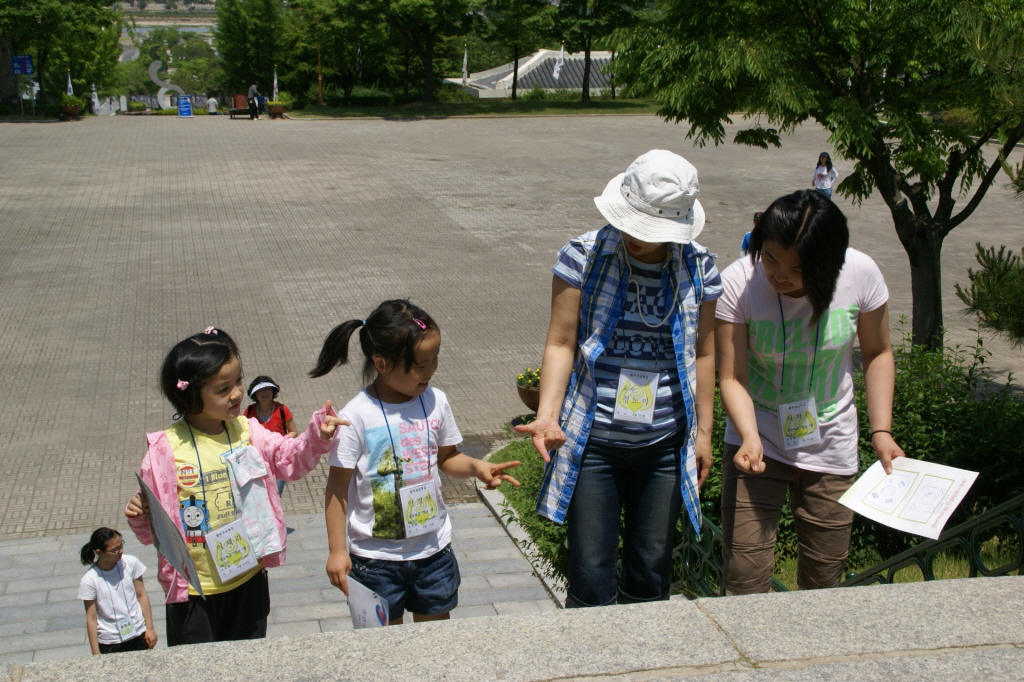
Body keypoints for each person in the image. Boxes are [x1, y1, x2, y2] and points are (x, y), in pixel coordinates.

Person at [515, 150, 722, 608]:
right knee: (589, 576)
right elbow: (561, 342)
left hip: (664, 445)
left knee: (651, 575)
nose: (634, 237)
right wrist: (548, 415)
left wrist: (703, 433)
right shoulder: (583, 256)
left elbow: (705, 354)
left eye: (647, 230)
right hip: (594, 442)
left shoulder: (700, 267)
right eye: (630, 223)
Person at [715, 189, 904, 594]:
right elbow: (732, 377)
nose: (778, 275)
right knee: (745, 575)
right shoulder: (738, 281)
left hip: (831, 438)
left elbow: (877, 353)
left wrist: (881, 432)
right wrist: (748, 435)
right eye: (769, 258)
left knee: (823, 579)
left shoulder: (860, 273)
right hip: (758, 436)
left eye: (797, 269)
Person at [123, 327, 348, 645]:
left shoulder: (248, 431)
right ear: (189, 394)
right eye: (222, 388)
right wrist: (138, 514)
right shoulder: (164, 450)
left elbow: (288, 459)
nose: (236, 394)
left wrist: (316, 436)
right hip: (193, 591)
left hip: (248, 578)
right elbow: (151, 534)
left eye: (238, 381)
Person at [311, 299, 521, 625]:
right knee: (387, 653)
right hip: (375, 560)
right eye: (420, 365)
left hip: (433, 552)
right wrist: (338, 550)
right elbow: (337, 486)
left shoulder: (436, 401)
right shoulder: (355, 416)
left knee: (435, 644)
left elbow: (448, 458)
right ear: (381, 363)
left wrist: (477, 467)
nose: (430, 371)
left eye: (434, 360)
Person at [78, 527, 158, 655]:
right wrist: (95, 651)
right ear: (99, 552)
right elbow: (91, 617)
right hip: (110, 641)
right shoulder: (89, 580)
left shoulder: (131, 563)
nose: (120, 551)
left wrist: (150, 628)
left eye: (121, 545)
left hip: (138, 633)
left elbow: (141, 595)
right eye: (114, 550)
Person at [244, 376, 297, 495]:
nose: (264, 393)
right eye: (260, 391)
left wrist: (282, 443)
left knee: (275, 494)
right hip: (256, 462)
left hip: (278, 462)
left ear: (273, 391)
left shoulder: (282, 409)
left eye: (267, 389)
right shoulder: (249, 411)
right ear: (255, 395)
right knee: (260, 495)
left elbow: (293, 431)